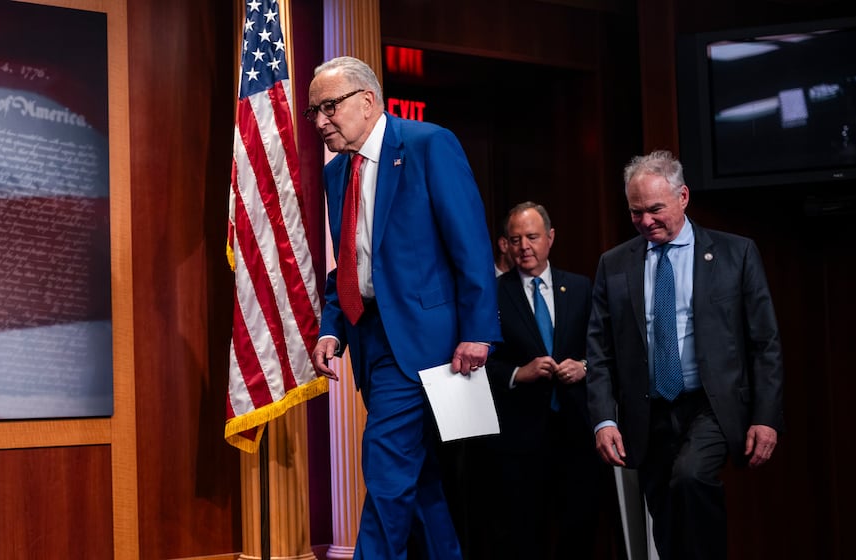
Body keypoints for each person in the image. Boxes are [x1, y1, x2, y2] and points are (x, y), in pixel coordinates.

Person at [307, 56, 501, 560]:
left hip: (425, 344)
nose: (321, 121)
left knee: (388, 469)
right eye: (314, 112)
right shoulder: (336, 174)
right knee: (420, 477)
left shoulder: (427, 145)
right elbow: (345, 264)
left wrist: (478, 331)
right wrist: (332, 329)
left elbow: (471, 246)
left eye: (329, 107)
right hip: (371, 341)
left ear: (367, 101)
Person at [587, 150, 784, 559]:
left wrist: (766, 418)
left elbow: (765, 342)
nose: (646, 221)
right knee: (666, 514)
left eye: (655, 209)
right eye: (635, 212)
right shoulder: (614, 264)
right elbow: (600, 351)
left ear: (683, 197)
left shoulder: (736, 253)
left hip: (711, 405)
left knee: (691, 477)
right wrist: (604, 419)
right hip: (649, 411)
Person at [485, 201, 611, 559]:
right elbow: (476, 359)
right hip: (520, 433)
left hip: (576, 429)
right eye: (515, 239)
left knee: (579, 525)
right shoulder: (492, 293)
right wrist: (516, 373)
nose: (524, 246)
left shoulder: (581, 286)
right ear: (505, 245)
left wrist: (584, 366)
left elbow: (603, 347)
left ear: (550, 238)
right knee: (523, 530)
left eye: (532, 237)